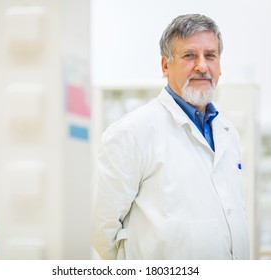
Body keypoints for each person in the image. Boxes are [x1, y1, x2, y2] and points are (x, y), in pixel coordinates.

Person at [92, 14, 250, 260]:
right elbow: (102, 231)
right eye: (189, 55)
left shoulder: (228, 134)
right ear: (165, 65)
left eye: (210, 55)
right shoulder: (132, 133)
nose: (202, 66)